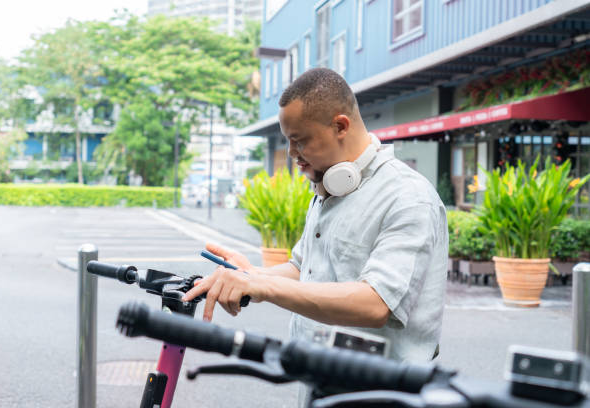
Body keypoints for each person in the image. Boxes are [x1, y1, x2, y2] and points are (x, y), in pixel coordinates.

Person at [183, 67, 448, 365]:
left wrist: (265, 287)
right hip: (320, 382)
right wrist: (252, 276)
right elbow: (302, 268)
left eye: (300, 140)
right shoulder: (328, 186)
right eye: (288, 141)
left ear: (340, 126)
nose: (292, 153)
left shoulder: (408, 197)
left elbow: (375, 304)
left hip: (379, 393)